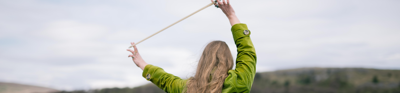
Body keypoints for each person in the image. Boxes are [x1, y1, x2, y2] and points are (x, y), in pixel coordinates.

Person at [127, 0, 256, 92]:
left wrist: (142, 63)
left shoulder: (187, 87)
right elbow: (247, 51)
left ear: (203, 60)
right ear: (228, 60)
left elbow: (165, 80)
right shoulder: (239, 82)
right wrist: (231, 15)